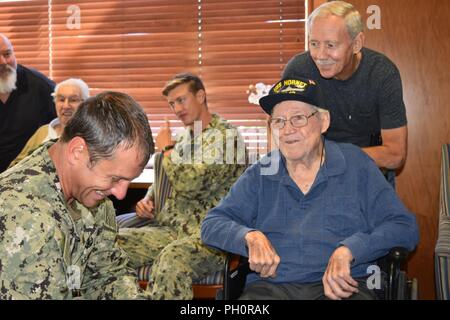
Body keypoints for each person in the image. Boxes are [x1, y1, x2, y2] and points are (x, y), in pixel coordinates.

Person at [201, 77, 419, 300]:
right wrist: (249, 236)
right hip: (272, 288)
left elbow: (404, 227)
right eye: (278, 121)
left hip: (345, 288)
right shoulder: (262, 171)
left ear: (323, 121)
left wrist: (351, 250)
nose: (287, 130)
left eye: (298, 118)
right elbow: (212, 224)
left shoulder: (356, 164)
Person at [0, 91, 154, 299]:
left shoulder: (92, 197)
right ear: (77, 151)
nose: (120, 193)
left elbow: (107, 274)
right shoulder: (24, 216)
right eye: (115, 178)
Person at [117, 73, 247, 299]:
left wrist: (166, 150)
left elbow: (190, 183)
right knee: (109, 244)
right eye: (171, 103)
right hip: (170, 231)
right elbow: (168, 180)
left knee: (172, 258)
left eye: (181, 100)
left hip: (210, 236)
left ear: (201, 95)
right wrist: (148, 200)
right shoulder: (185, 137)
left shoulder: (226, 138)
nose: (177, 108)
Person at [282, 1, 407, 186]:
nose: (320, 55)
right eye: (314, 44)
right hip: (313, 177)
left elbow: (395, 155)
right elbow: (282, 137)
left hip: (368, 176)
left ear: (357, 43)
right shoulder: (298, 71)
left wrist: (332, 157)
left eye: (331, 45)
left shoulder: (382, 74)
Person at [0, 33, 56, 173]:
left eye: (7, 54)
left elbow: (64, 126)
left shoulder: (40, 86)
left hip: (30, 177)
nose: (3, 62)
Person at [8, 78, 89, 168]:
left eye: (73, 100)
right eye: (61, 100)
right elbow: (17, 164)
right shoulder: (43, 131)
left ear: (85, 104)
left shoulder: (90, 135)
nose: (66, 106)